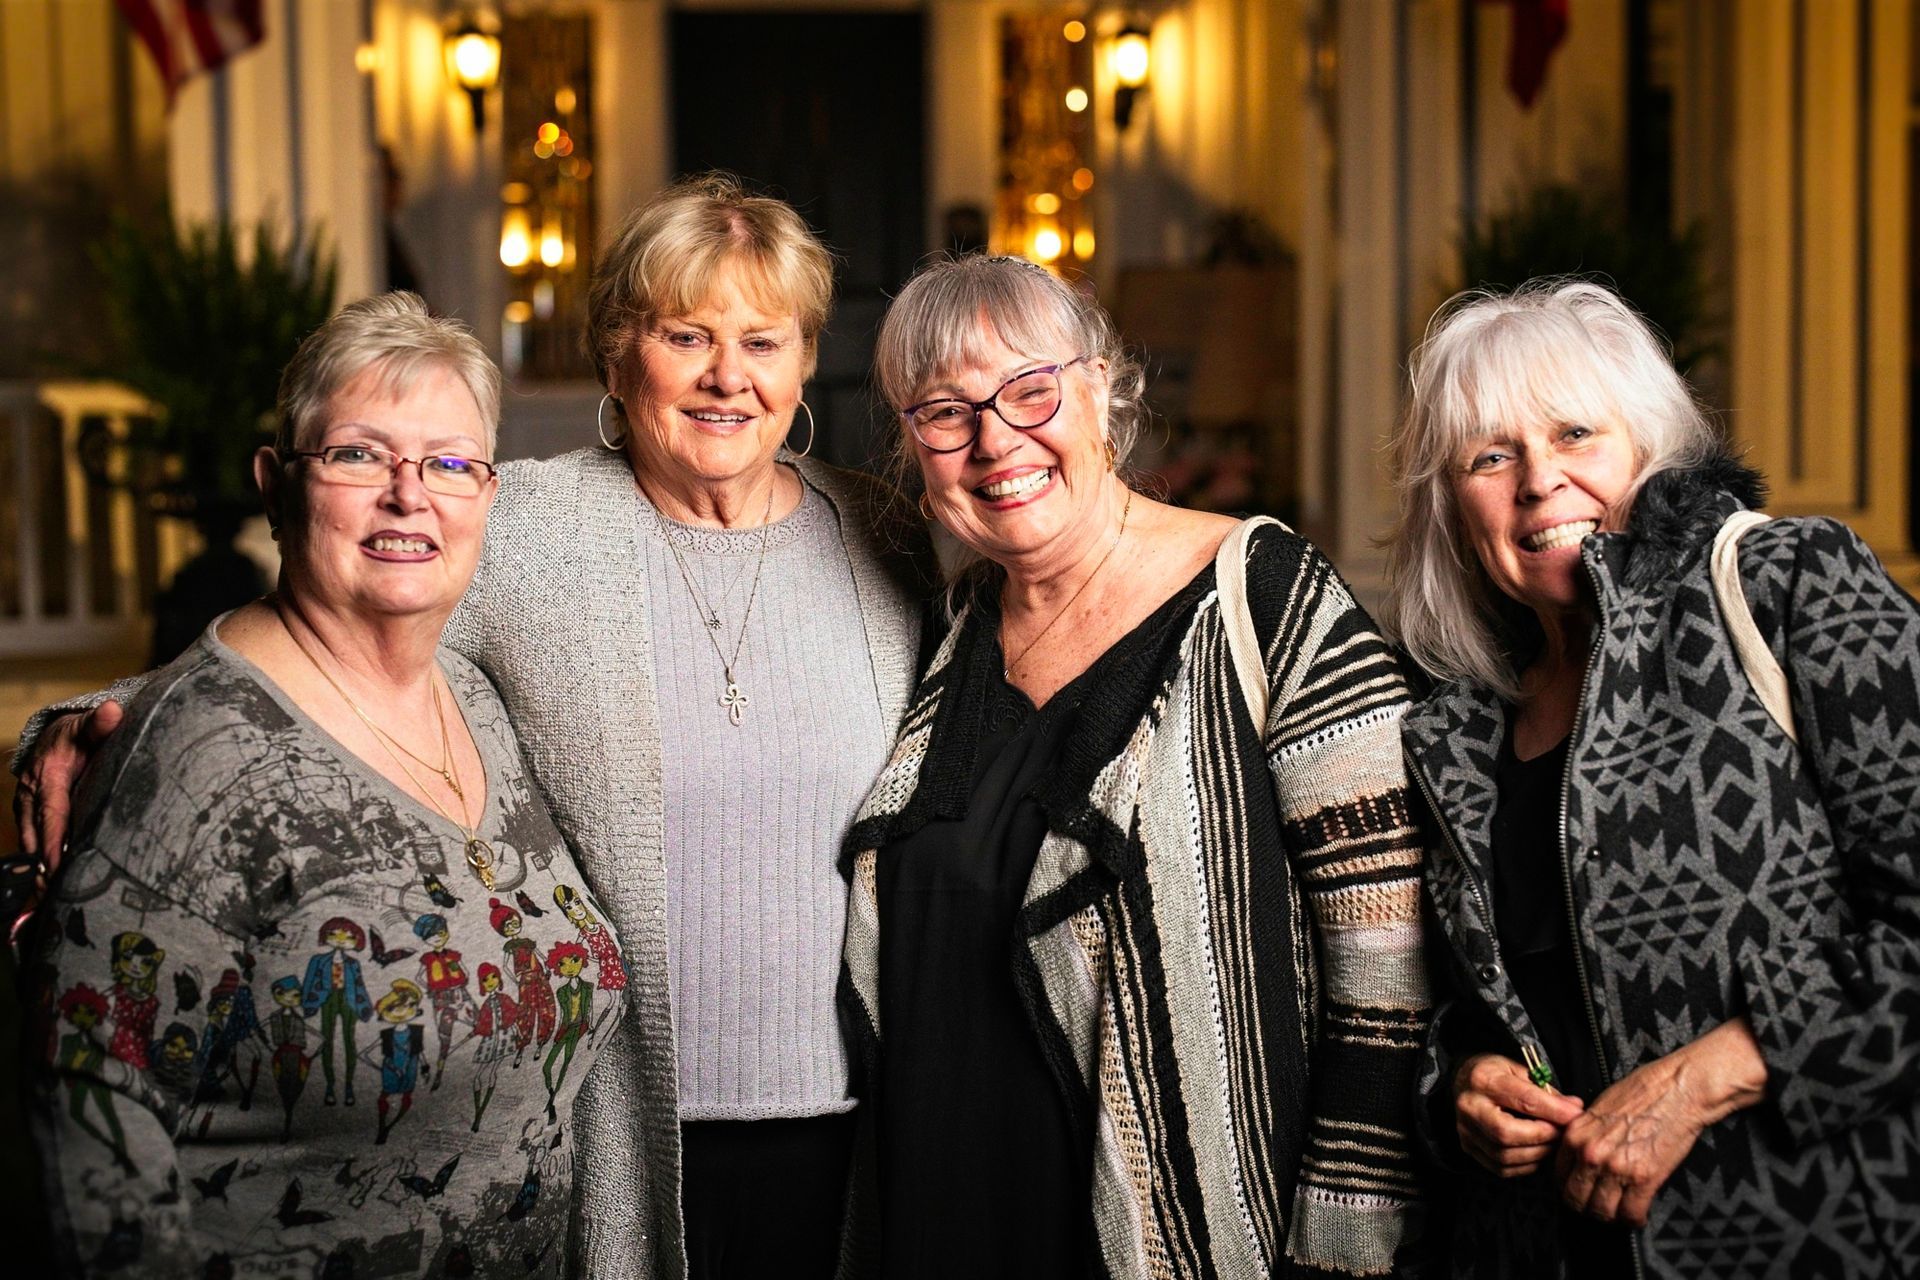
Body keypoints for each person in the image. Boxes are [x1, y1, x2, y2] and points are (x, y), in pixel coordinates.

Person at [15, 174, 929, 1279]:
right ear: (617, 353)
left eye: (762, 339)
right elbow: (320, 626)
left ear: (803, 365)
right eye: (685, 333)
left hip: (855, 1114)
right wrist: (84, 720)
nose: (727, 374)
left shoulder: (882, 535)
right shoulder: (521, 516)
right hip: (621, 1130)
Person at [839, 253, 1430, 1277]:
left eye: (1031, 390)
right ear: (911, 444)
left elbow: (1390, 966)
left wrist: (1345, 1241)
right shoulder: (948, 632)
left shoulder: (1269, 600)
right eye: (945, 411)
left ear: (1103, 383)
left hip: (1167, 1238)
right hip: (936, 1218)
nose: (995, 440)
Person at [21, 291, 626, 1274]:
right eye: (357, 453)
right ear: (275, 483)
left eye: (448, 461)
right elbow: (94, 1137)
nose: (408, 493)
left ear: (486, 493)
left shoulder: (477, 698)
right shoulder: (196, 755)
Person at [1381, 279, 1920, 1278]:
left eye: (1576, 433)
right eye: (1490, 456)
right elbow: (1441, 1009)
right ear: (1454, 508)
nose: (1539, 480)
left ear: (1648, 446)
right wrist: (1460, 1085)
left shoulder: (1792, 586)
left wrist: (1715, 1072)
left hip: (1811, 1242)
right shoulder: (1450, 732)